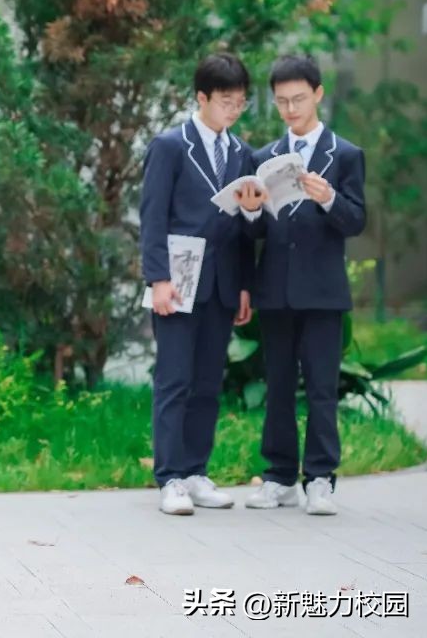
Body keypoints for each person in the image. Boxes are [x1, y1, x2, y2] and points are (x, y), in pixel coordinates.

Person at [236, 55, 366, 516]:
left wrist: (329, 197)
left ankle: (321, 479)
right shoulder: (262, 157)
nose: (290, 109)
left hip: (323, 292)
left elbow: (356, 221)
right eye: (281, 101)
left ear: (318, 94)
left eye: (298, 99)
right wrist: (251, 210)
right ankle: (278, 477)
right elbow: (253, 234)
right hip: (276, 290)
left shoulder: (345, 155)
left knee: (322, 389)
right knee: (277, 386)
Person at [139, 53, 256, 516]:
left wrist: (245, 285)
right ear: (202, 98)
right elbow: (152, 217)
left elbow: (246, 232)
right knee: (174, 379)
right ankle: (169, 478)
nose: (233, 110)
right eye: (226, 101)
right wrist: (158, 279)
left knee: (208, 382)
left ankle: (195, 471)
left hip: (224, 283)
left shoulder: (242, 153)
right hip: (178, 278)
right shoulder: (169, 146)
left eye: (240, 103)